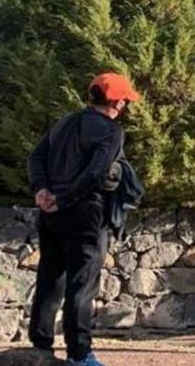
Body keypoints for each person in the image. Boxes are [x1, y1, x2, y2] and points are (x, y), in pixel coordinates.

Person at [27, 73, 140, 366]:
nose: (126, 104)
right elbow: (96, 173)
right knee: (82, 285)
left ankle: (40, 347)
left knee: (50, 280)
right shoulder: (111, 132)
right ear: (116, 100)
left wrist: (42, 191)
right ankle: (80, 354)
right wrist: (63, 198)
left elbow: (36, 157)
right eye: (125, 99)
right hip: (87, 214)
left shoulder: (64, 122)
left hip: (51, 214)